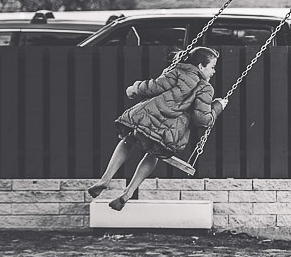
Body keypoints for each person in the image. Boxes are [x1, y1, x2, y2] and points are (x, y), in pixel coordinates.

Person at [86, 47, 227, 211]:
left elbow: (153, 87)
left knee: (127, 141)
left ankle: (105, 179)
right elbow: (202, 119)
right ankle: (129, 192)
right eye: (212, 67)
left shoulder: (177, 72)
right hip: (170, 131)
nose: (214, 71)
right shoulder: (205, 88)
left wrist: (134, 88)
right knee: (153, 154)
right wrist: (217, 106)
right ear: (201, 66)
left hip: (149, 118)